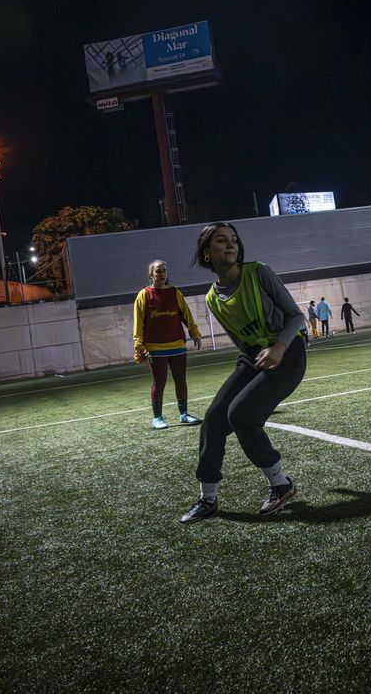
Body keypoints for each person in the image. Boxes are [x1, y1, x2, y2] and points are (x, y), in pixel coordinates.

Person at [181, 223, 306, 524]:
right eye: (221, 241)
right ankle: (207, 498)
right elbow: (240, 340)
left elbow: (297, 316)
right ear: (207, 254)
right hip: (252, 357)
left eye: (233, 240)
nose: (230, 245)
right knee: (213, 418)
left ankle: (281, 484)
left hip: (288, 355)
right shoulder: (212, 298)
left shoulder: (259, 272)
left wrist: (278, 347)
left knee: (241, 415)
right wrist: (249, 364)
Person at [132, 259, 203, 430]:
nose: (162, 273)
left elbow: (186, 314)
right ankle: (157, 418)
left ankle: (184, 415)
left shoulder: (175, 293)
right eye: (158, 271)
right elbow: (138, 322)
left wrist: (194, 333)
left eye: (164, 270)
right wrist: (139, 345)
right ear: (151, 275)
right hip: (155, 348)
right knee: (159, 382)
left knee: (181, 381)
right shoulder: (144, 295)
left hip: (177, 344)